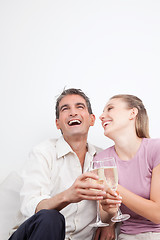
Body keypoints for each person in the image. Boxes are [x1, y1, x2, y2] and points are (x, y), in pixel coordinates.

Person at [8, 88, 117, 240]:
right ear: (58, 123)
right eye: (65, 109)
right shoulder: (42, 153)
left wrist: (109, 222)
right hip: (33, 235)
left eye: (80, 107)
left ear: (92, 119)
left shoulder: (103, 158)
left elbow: (108, 206)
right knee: (50, 217)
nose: (73, 112)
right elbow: (30, 206)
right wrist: (68, 195)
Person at [94, 94, 160, 240]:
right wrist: (109, 213)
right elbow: (105, 216)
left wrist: (114, 187)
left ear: (132, 113)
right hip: (127, 235)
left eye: (110, 108)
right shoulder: (101, 159)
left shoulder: (156, 149)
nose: (101, 116)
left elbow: (157, 214)